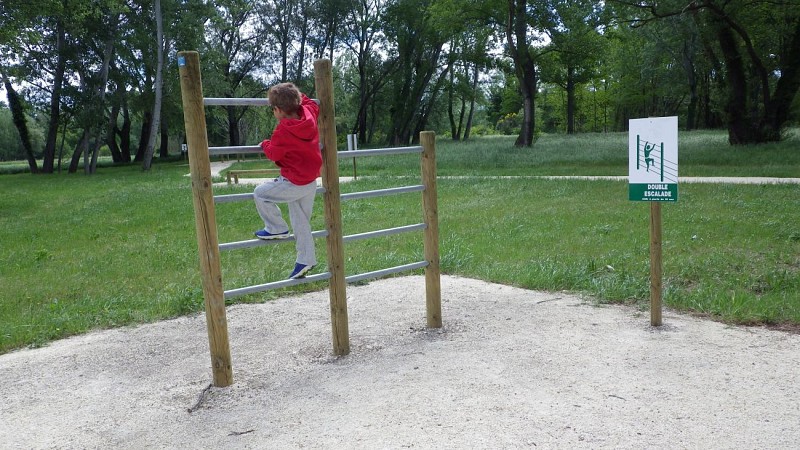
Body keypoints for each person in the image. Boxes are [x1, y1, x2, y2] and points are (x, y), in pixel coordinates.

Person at [253, 82, 322, 279]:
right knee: (300, 219)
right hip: (310, 181)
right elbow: (310, 103)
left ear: (279, 110)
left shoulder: (283, 131)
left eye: (272, 109)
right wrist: (295, 95)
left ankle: (276, 227)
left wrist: (265, 144)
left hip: (294, 182)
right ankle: (305, 260)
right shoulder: (309, 114)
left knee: (260, 193)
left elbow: (274, 154)